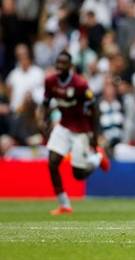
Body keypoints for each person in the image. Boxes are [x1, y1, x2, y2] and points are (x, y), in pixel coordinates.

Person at [38, 51, 110, 215]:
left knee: (78, 174)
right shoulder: (50, 81)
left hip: (81, 130)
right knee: (52, 163)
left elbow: (95, 109)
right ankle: (64, 204)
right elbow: (45, 103)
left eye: (63, 63)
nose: (59, 66)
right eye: (58, 63)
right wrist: (43, 119)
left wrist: (94, 136)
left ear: (70, 66)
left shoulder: (80, 84)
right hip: (63, 126)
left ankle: (98, 157)